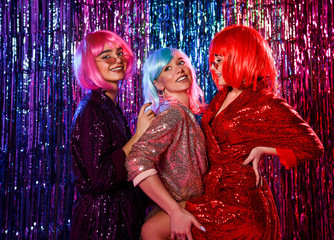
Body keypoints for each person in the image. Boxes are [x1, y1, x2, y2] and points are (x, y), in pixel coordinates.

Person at [185, 25, 324, 239]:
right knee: (161, 222)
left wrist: (264, 149)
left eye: (220, 59)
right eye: (213, 59)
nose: (213, 65)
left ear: (240, 57)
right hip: (213, 195)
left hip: (243, 206)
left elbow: (312, 146)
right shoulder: (220, 97)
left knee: (160, 225)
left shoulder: (265, 101)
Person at [70, 30, 155, 240]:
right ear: (90, 65)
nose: (117, 59)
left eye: (120, 53)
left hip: (120, 215)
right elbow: (102, 176)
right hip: (103, 220)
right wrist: (138, 136)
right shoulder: (92, 109)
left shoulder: (107, 105)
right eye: (106, 56)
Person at [125, 47, 208, 240]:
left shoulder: (186, 113)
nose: (178, 69)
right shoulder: (173, 113)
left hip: (190, 206)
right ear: (158, 85)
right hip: (181, 208)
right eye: (167, 68)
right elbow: (136, 160)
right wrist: (174, 210)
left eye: (180, 63)